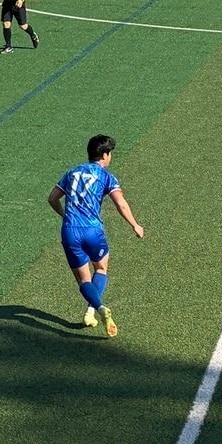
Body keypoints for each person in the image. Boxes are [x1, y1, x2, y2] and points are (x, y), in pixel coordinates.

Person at [46, 134, 145, 336]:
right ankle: (93, 308)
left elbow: (52, 198)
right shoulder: (107, 176)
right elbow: (120, 203)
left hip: (70, 231)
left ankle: (97, 308)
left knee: (84, 281)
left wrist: (65, 215)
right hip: (93, 230)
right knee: (100, 268)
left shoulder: (72, 172)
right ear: (105, 154)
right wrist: (135, 224)